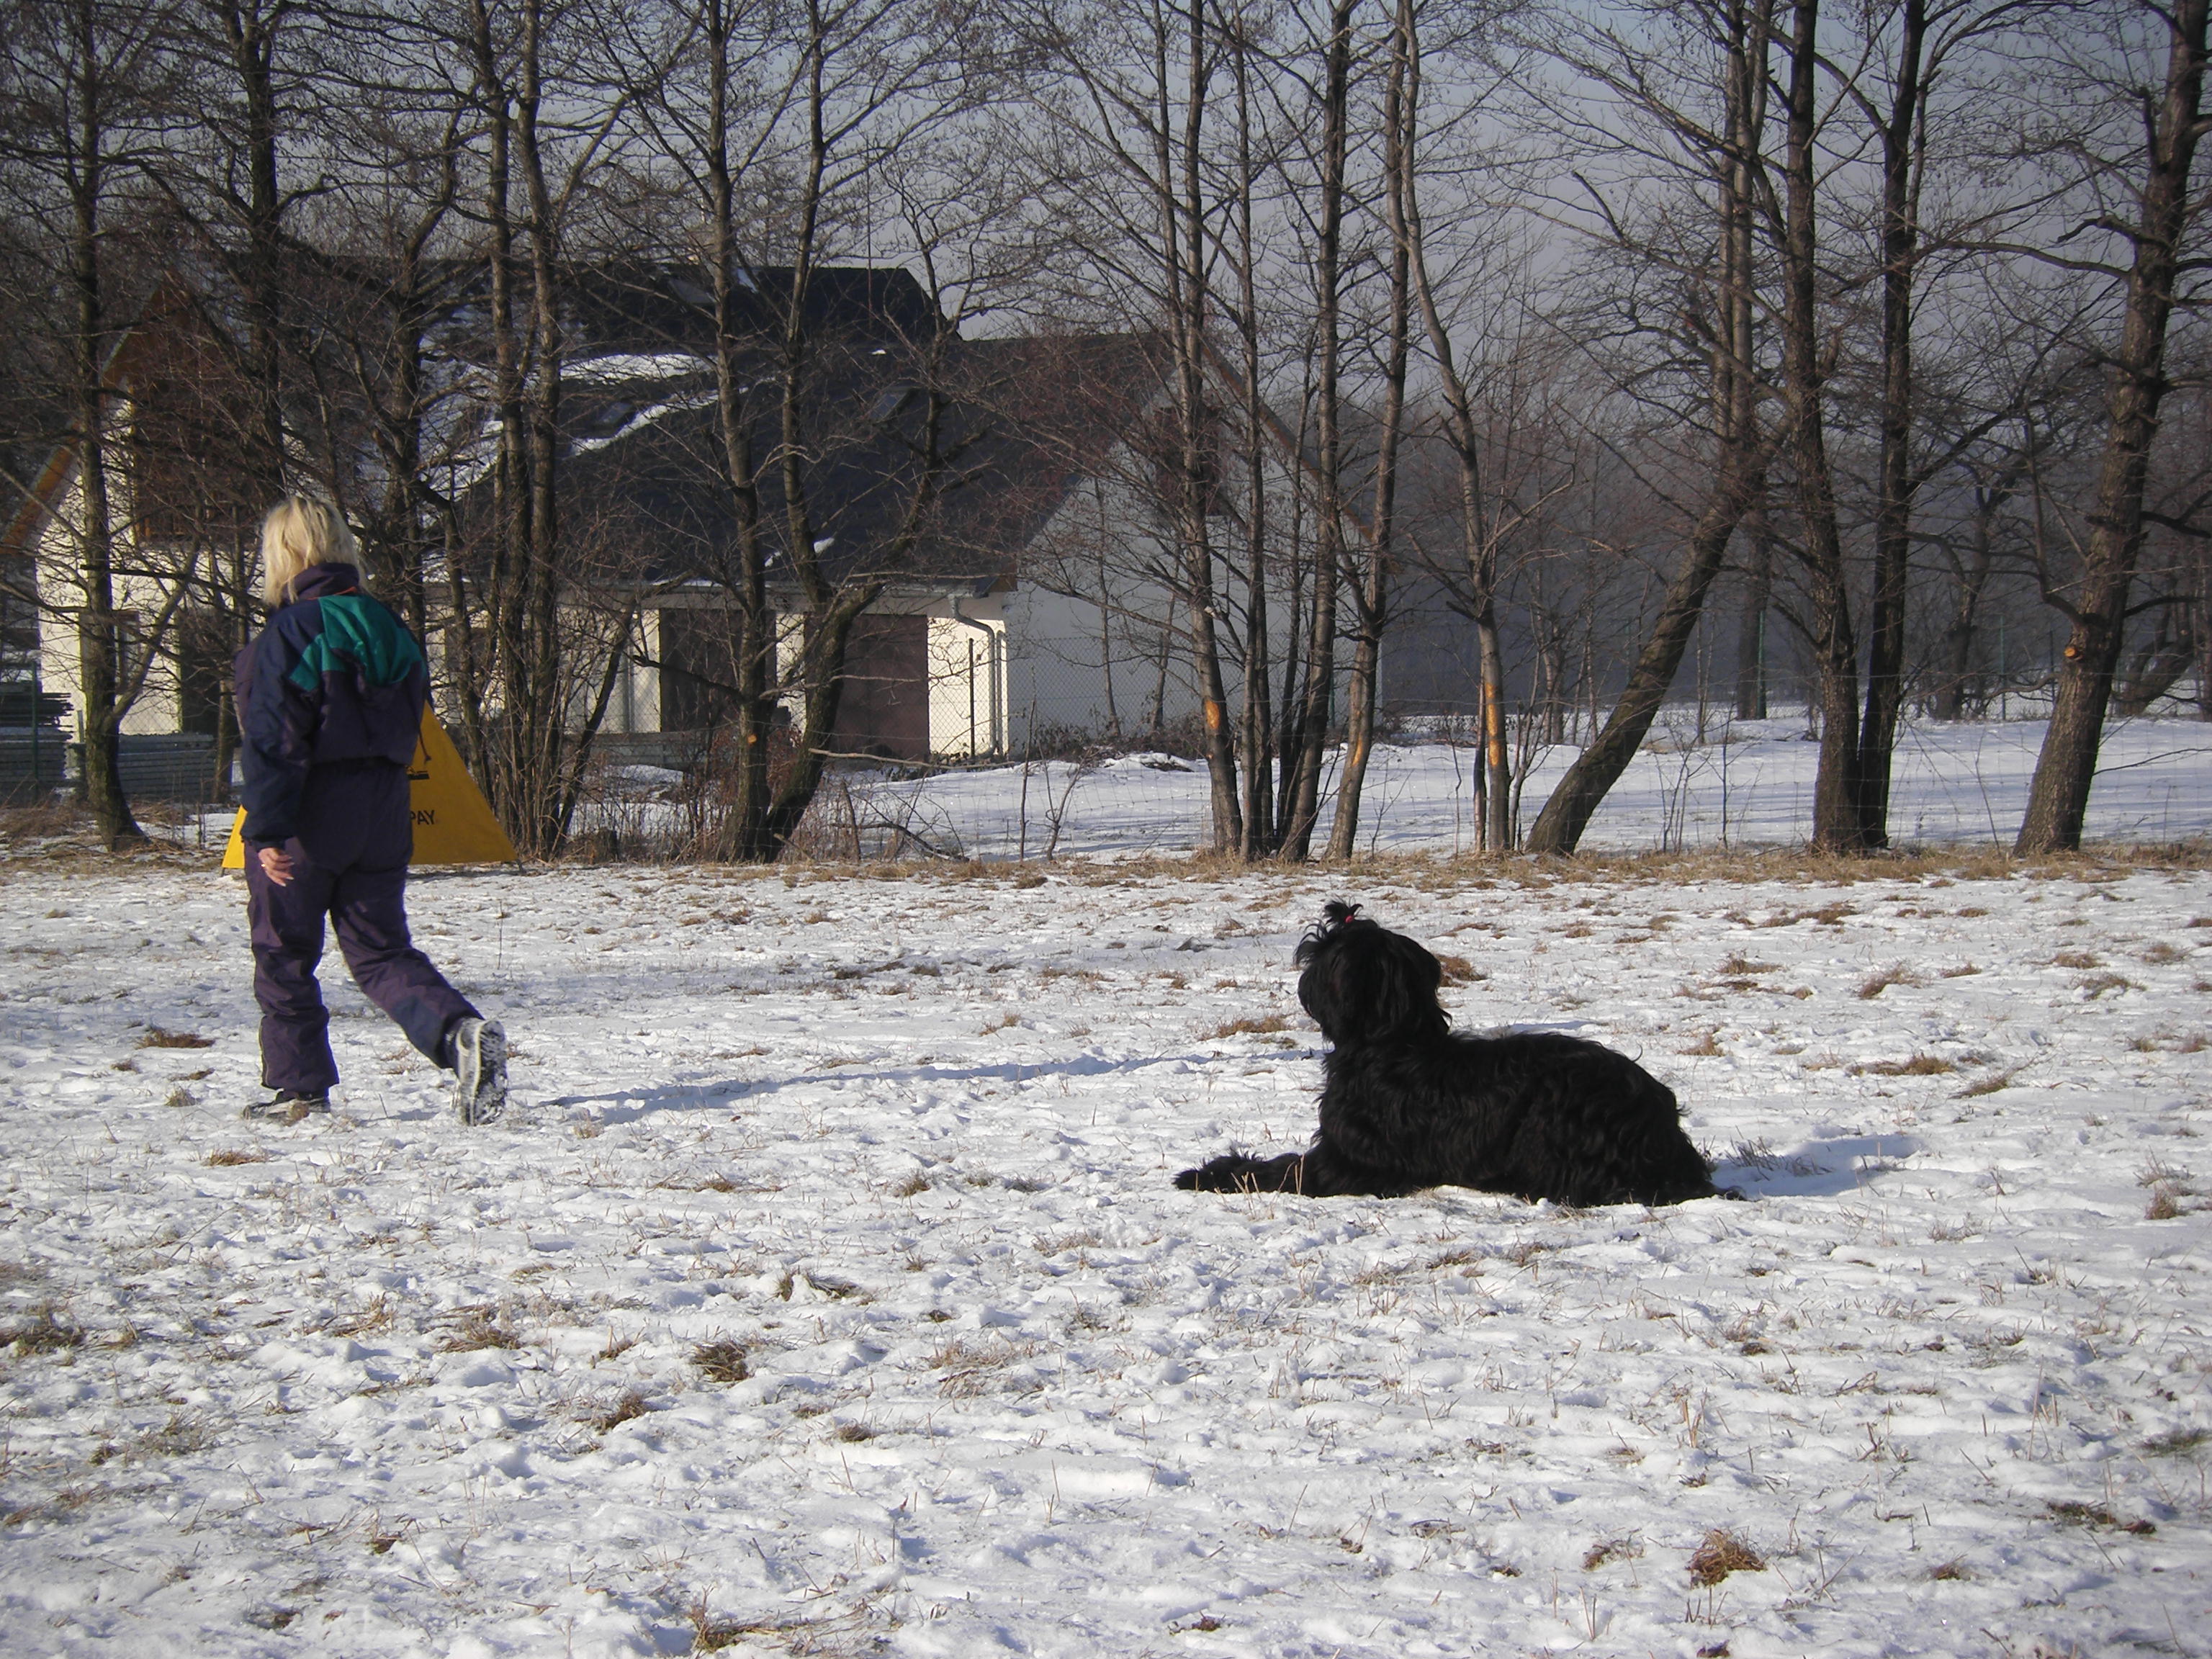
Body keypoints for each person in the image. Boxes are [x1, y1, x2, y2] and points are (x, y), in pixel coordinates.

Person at [233, 495, 507, 1124]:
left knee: (283, 950)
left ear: (287, 553)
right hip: (385, 806)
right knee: (381, 951)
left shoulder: (291, 631)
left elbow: (273, 736)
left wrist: (268, 827)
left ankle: (299, 1088)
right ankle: (459, 1032)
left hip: (308, 812)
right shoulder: (391, 627)